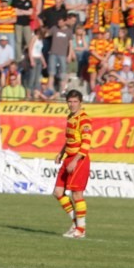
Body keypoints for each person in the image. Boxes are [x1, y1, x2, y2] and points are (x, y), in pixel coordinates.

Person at [53, 89, 92, 239]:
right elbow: (70, 139)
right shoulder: (70, 117)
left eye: (75, 101)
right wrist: (61, 153)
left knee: (77, 194)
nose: (72, 104)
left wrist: (75, 161)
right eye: (69, 101)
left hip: (79, 159)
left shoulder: (84, 119)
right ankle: (76, 224)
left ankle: (81, 229)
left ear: (81, 103)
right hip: (68, 157)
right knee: (58, 192)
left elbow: (86, 143)